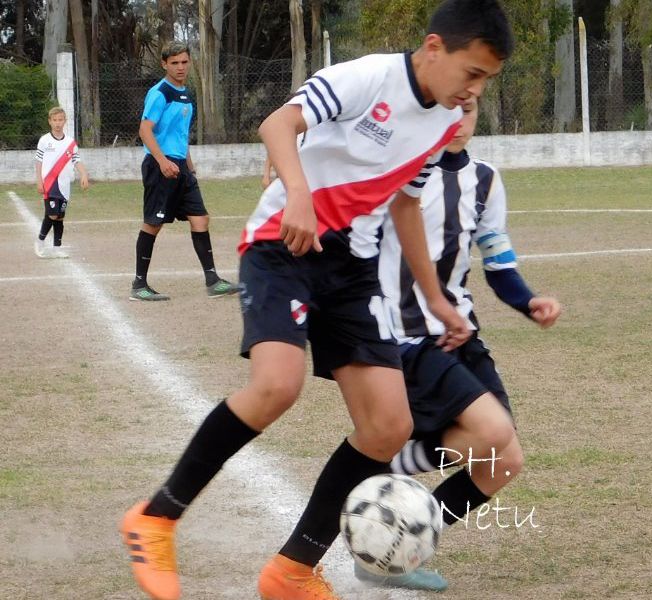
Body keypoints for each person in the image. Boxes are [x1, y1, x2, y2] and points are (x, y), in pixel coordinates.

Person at [119, 2, 513, 600]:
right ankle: (156, 517)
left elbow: (406, 206)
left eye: (485, 81)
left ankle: (292, 570)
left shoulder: (439, 123)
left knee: (388, 426)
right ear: (435, 48)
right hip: (283, 244)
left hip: (351, 270)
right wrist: (298, 193)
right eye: (472, 73)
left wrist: (435, 298)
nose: (474, 91)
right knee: (277, 385)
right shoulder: (369, 76)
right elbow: (278, 124)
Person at [358, 97, 560, 592]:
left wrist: (528, 301)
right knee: (491, 434)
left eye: (468, 111)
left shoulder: (486, 179)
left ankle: (396, 548)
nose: (459, 121)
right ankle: (377, 468)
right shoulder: (396, 172)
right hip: (405, 335)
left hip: (459, 332)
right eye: (452, 109)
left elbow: (498, 258)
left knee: (504, 461)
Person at [130, 42, 239, 301]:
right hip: (161, 166)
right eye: (174, 62)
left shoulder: (186, 94)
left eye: (184, 62)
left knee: (200, 219)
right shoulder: (160, 93)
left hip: (181, 167)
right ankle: (139, 285)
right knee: (153, 223)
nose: (180, 67)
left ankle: (213, 280)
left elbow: (180, 135)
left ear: (190, 62)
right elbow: (145, 130)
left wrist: (188, 165)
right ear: (164, 64)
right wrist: (162, 161)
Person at [33, 106, 89, 259]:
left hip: (65, 185)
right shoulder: (44, 140)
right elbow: (38, 162)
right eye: (54, 120)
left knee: (60, 217)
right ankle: (40, 241)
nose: (58, 123)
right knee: (51, 215)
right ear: (50, 121)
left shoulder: (70, 143)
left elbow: (76, 160)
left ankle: (57, 248)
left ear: (65, 121)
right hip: (50, 184)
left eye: (60, 120)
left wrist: (83, 174)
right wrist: (39, 181)